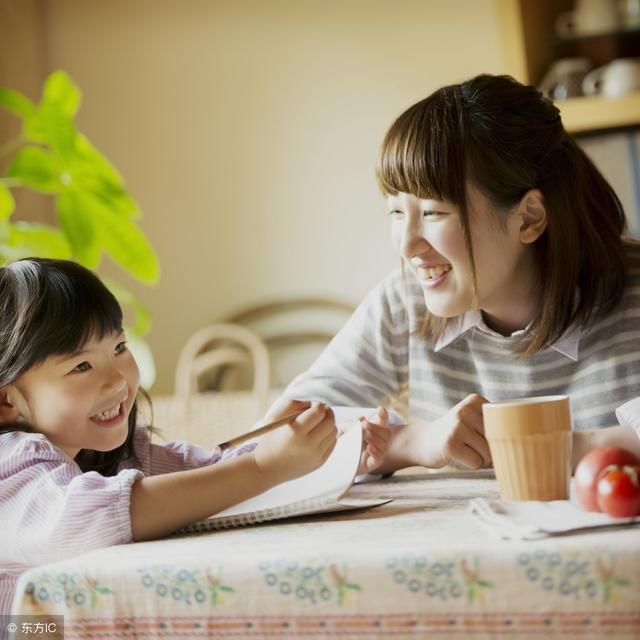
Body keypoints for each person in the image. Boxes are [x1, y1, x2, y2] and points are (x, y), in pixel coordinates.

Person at [269, 73, 640, 475]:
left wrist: (551, 446)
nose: (406, 245)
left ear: (529, 217)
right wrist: (410, 442)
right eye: (396, 212)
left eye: (433, 212)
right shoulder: (404, 303)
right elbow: (277, 436)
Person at [0, 258, 343, 615]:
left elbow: (211, 473)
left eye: (119, 348)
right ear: (7, 401)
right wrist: (262, 466)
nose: (117, 380)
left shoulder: (121, 453)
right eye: (81, 366)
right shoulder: (8, 468)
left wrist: (310, 443)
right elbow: (86, 519)